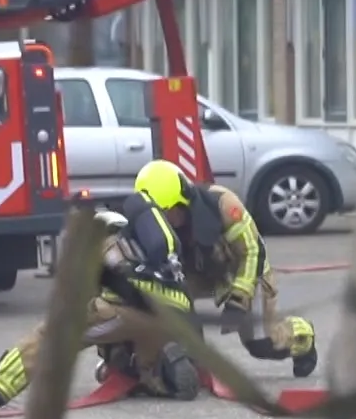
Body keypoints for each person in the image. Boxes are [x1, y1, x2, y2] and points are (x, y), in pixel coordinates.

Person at [0, 202, 199, 409]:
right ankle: (155, 375)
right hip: (165, 319)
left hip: (122, 312)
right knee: (138, 344)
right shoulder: (142, 248)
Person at [130, 160, 319, 379]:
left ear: (182, 202)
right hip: (197, 274)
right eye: (155, 215)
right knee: (164, 300)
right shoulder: (150, 222)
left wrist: (239, 299)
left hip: (241, 271)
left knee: (261, 344)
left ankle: (302, 335)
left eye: (166, 212)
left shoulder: (225, 206)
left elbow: (252, 252)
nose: (162, 221)